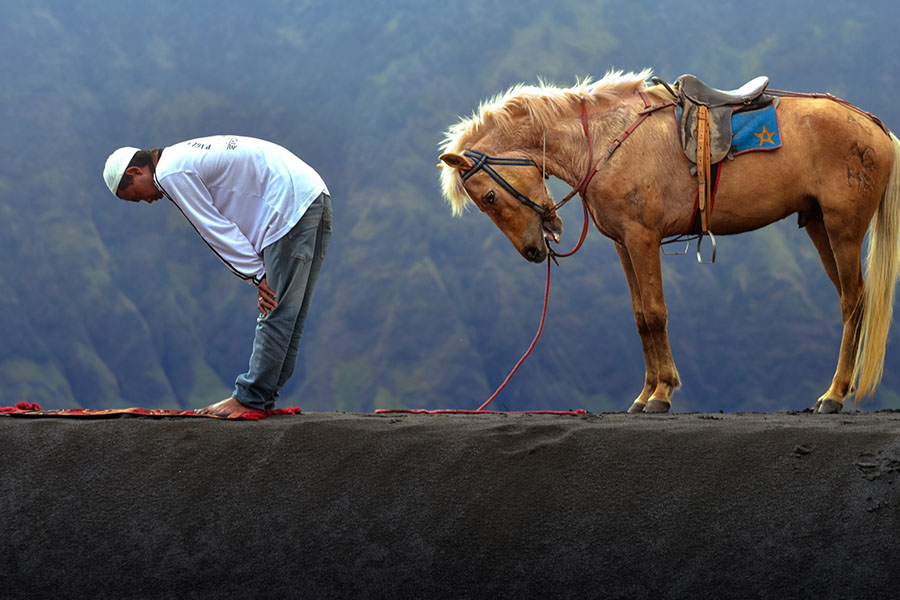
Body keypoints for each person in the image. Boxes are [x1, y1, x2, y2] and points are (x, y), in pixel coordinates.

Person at [103, 136, 333, 416]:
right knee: (290, 311)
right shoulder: (181, 155)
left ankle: (250, 398)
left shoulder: (169, 172)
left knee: (274, 306)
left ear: (135, 172)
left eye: (137, 195)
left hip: (287, 205)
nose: (148, 201)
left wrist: (257, 275)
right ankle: (264, 394)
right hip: (313, 196)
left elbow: (213, 228)